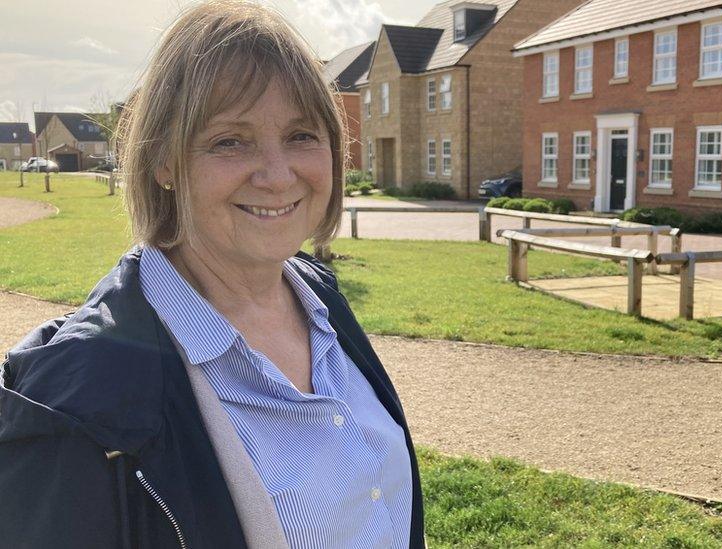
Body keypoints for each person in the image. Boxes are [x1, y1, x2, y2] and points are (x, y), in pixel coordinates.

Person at [0, 1, 425, 547]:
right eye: (230, 141)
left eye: (301, 135)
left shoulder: (320, 300)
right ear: (164, 163)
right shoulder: (77, 398)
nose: (277, 175)